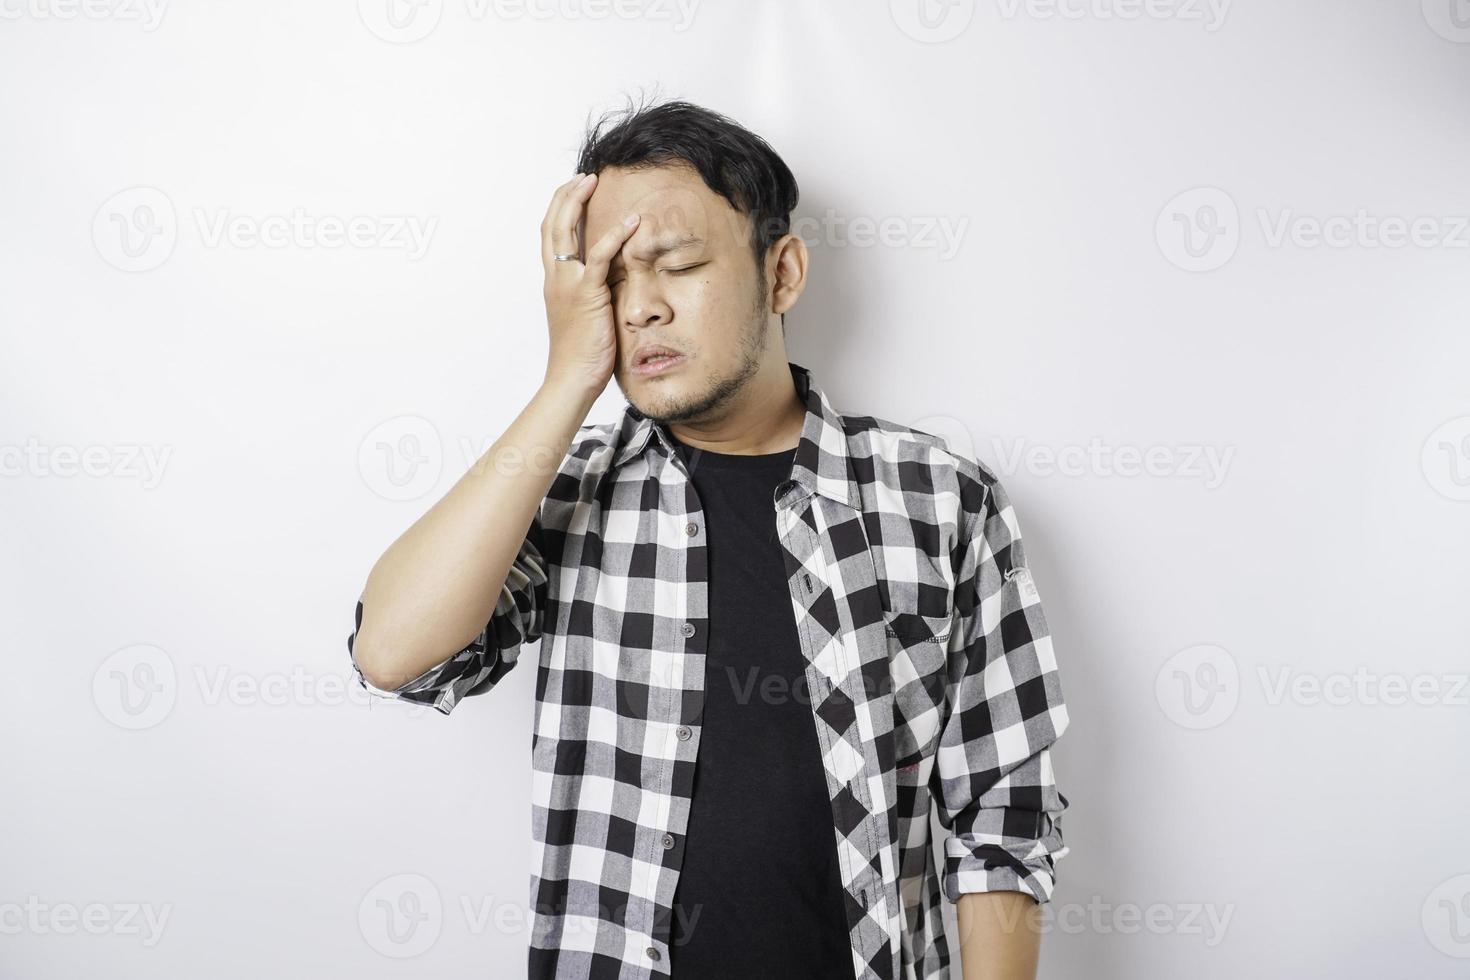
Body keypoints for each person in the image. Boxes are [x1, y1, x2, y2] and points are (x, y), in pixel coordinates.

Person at [347, 97, 1070, 980]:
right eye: (609, 281)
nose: (640, 307)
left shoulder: (937, 499)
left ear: (783, 275)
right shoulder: (566, 487)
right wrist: (569, 376)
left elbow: (1001, 816)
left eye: (676, 265)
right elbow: (394, 653)